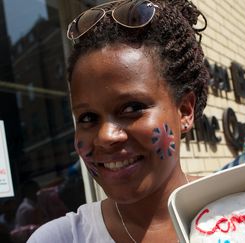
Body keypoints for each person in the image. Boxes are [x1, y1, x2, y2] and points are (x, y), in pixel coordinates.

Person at [28, 0, 208, 242]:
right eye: (87, 117)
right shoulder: (60, 238)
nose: (105, 136)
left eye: (132, 108)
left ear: (184, 111)